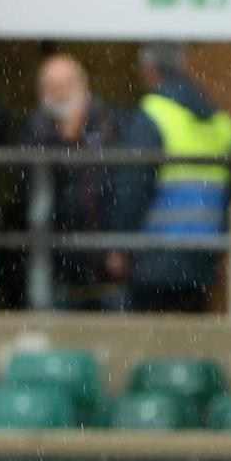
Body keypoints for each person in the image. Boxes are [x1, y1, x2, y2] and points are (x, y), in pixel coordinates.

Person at [17, 53, 141, 311]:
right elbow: (25, 180)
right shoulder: (35, 130)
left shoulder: (114, 124)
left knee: (118, 345)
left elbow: (130, 186)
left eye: (67, 84)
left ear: (84, 86)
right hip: (58, 269)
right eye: (52, 87)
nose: (61, 93)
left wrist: (121, 243)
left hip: (110, 265)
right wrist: (62, 138)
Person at [125, 42, 231, 314]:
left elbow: (132, 187)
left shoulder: (152, 114)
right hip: (205, 254)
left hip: (155, 255)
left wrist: (121, 241)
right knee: (191, 346)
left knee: (151, 349)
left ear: (148, 70)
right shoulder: (221, 122)